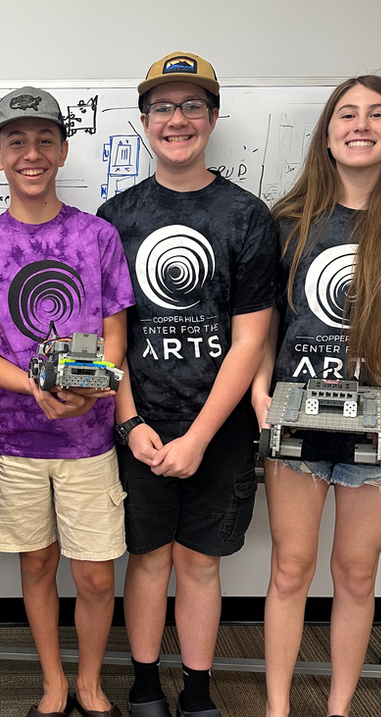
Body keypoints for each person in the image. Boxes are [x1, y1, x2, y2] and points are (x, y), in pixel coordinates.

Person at [250, 75, 381, 717]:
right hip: (293, 424)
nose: (361, 125)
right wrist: (262, 394)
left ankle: (339, 708)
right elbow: (265, 329)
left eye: (378, 115)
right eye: (346, 114)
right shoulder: (287, 221)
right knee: (291, 571)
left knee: (356, 574)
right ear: (326, 133)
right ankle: (277, 708)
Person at [97, 53, 278, 717]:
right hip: (140, 424)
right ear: (145, 121)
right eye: (164, 109)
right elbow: (107, 341)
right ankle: (145, 683)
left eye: (192, 107)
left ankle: (197, 689)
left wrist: (201, 436)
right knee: (146, 559)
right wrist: (130, 423)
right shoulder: (115, 218)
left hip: (220, 430)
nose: (178, 121)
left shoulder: (246, 217)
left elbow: (250, 339)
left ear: (213, 118)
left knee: (200, 562)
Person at [0, 87, 135, 717]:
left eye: (43, 140)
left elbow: (117, 330)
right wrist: (36, 388)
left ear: (62, 150)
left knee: (94, 575)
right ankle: (54, 683)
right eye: (16, 142)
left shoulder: (98, 238)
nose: (31, 153)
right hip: (14, 439)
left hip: (89, 438)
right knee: (37, 564)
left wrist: (92, 389)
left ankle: (89, 681)